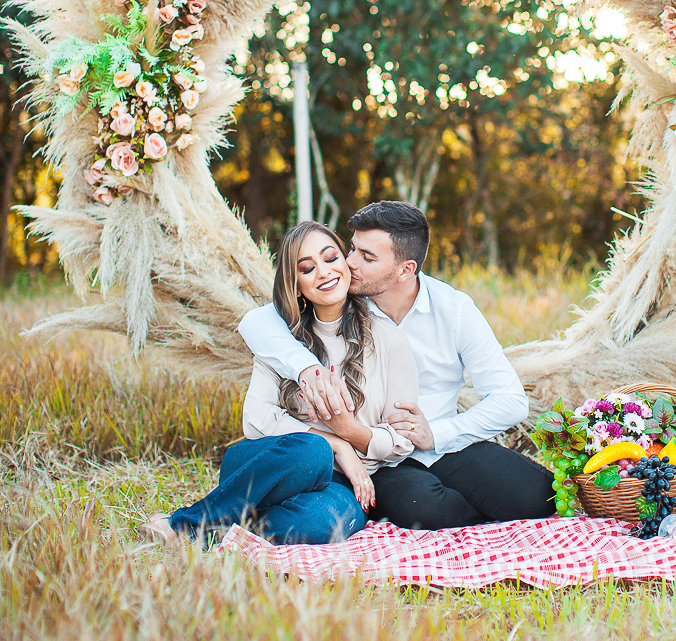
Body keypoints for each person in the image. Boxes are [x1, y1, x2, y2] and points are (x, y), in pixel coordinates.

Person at [238, 201, 555, 530]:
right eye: (352, 249)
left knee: (537, 497)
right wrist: (307, 368)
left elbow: (511, 400)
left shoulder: (454, 310)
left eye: (367, 257)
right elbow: (255, 323)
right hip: (380, 457)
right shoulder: (340, 297)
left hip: (441, 444)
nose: (349, 262)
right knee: (424, 507)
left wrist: (437, 434)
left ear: (405, 270)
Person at [142, 220, 418, 545]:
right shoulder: (279, 340)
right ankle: (186, 523)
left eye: (331, 258)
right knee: (313, 450)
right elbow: (256, 418)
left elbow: (402, 439)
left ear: (347, 263)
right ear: (296, 284)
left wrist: (351, 433)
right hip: (267, 465)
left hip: (340, 483)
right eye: (307, 268)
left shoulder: (390, 341)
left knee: (321, 523)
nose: (324, 272)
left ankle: (223, 525)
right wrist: (335, 444)